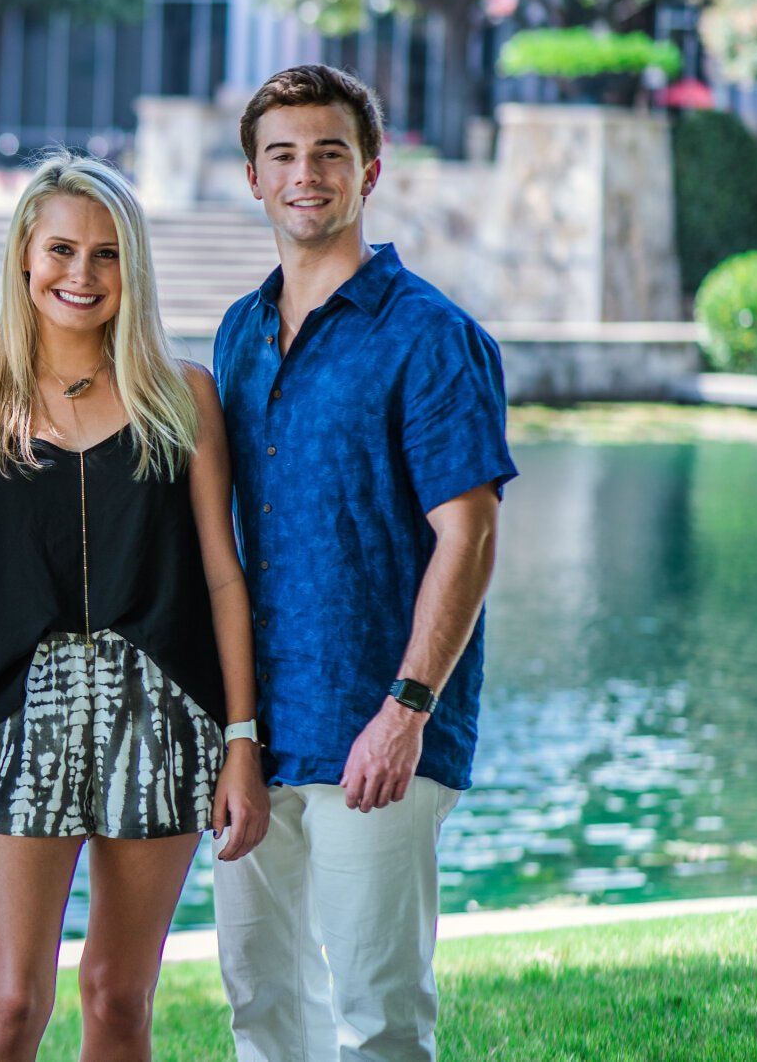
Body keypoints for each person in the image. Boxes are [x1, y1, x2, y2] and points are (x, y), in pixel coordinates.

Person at [0, 152, 268, 1060]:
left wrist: (241, 740)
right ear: (25, 259)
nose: (82, 274)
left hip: (163, 718)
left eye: (107, 254)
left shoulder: (182, 397)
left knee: (118, 995)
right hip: (11, 724)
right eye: (62, 250)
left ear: (132, 267)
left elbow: (223, 576)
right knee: (8, 1005)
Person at [211, 64, 515, 1061]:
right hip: (259, 734)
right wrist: (232, 728)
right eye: (283, 155)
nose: (306, 174)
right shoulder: (240, 333)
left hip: (377, 726)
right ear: (254, 177)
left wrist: (406, 709)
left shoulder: (432, 336)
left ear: (370, 170)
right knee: (261, 1004)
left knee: (377, 1018)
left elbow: (469, 535)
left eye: (329, 153)